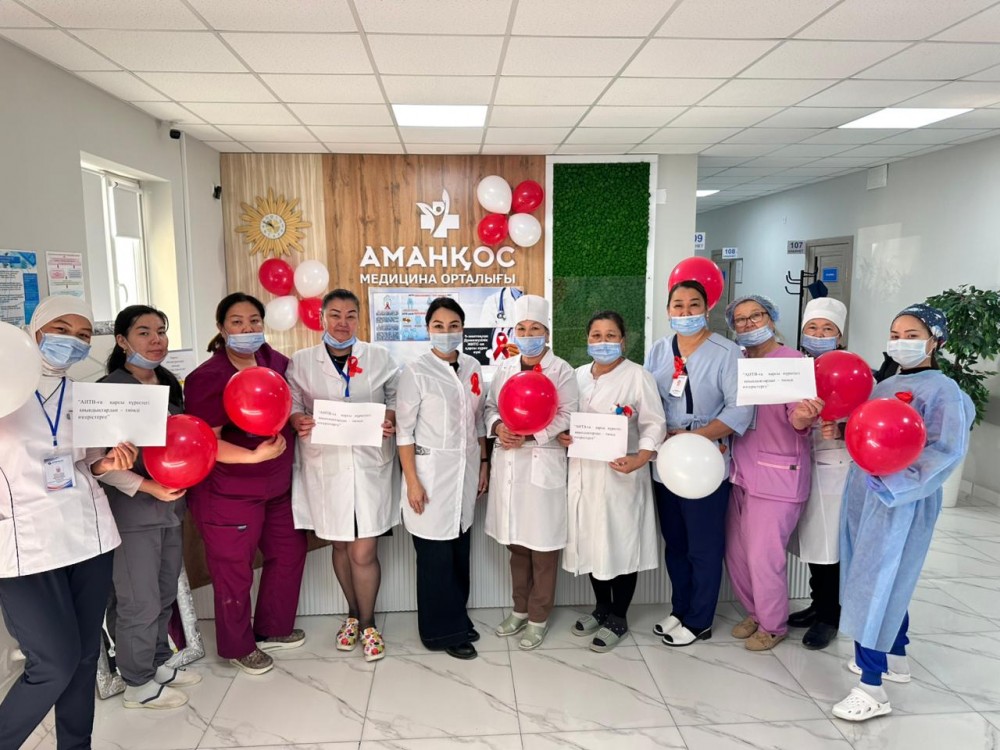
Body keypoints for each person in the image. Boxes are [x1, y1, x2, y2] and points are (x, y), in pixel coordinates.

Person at [0, 295, 137, 748]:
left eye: (83, 335)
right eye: (61, 330)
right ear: (35, 330)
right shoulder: (4, 389)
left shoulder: (86, 396)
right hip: (25, 543)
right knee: (53, 664)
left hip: (88, 536)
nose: (72, 342)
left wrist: (108, 462)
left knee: (82, 658)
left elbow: (89, 463)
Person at [833, 303, 974, 722]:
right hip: (864, 493)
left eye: (912, 335)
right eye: (896, 335)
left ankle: (871, 687)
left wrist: (895, 484)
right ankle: (896, 657)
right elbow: (869, 433)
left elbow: (946, 452)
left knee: (877, 582)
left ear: (935, 341)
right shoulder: (883, 385)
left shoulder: (945, 391)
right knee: (876, 576)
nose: (901, 342)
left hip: (903, 501)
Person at [183, 293, 308, 676]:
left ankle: (272, 627)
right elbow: (207, 442)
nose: (247, 328)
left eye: (254, 320)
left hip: (277, 486)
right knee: (233, 571)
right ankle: (239, 646)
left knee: (289, 552)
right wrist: (253, 457)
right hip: (228, 492)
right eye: (237, 322)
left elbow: (290, 406)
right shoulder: (208, 377)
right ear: (221, 328)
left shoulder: (277, 363)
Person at [287, 289, 399, 662]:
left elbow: (395, 397)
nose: (342, 322)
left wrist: (390, 418)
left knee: (364, 549)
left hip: (369, 465)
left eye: (351, 315)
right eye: (335, 314)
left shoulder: (380, 357)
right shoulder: (302, 362)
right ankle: (352, 613)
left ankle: (368, 623)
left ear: (359, 319)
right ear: (321, 318)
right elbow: (293, 402)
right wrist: (297, 419)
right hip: (327, 466)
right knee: (338, 544)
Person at [98, 305, 201, 709]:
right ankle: (137, 682)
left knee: (162, 593)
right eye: (143, 332)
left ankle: (157, 661)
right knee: (137, 599)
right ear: (122, 341)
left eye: (161, 331)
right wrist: (148, 487)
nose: (156, 339)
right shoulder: (108, 390)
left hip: (170, 509)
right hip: (132, 513)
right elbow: (97, 463)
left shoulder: (168, 385)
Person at [645, 281, 753, 647]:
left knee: (703, 546)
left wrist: (697, 437)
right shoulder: (659, 350)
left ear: (706, 309)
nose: (685, 312)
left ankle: (700, 619)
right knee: (675, 542)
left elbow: (740, 409)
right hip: (667, 462)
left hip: (706, 459)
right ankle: (680, 609)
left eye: (694, 305)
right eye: (678, 305)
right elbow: (649, 401)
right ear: (668, 311)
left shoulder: (728, 352)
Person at [559, 311, 666, 652]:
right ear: (587, 339)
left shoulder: (638, 376)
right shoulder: (576, 376)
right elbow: (564, 417)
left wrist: (641, 458)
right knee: (592, 541)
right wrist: (563, 434)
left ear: (623, 340)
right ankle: (601, 608)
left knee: (620, 544)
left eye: (610, 335)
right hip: (584, 473)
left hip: (622, 474)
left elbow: (654, 424)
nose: (602, 342)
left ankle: (619, 616)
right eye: (596, 335)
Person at [724, 295, 822, 651]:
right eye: (740, 319)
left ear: (771, 318)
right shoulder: (737, 362)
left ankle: (773, 624)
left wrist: (803, 417)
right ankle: (755, 612)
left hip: (778, 476)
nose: (749, 323)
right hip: (740, 472)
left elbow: (799, 416)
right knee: (737, 554)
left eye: (757, 315)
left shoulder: (792, 362)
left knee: (764, 557)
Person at [396, 297, 488, 660]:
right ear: (427, 329)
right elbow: (404, 432)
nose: (446, 332)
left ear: (463, 328)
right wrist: (412, 482)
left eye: (453, 326)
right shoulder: (416, 372)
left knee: (459, 551)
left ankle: (457, 618)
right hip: (430, 476)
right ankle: (440, 632)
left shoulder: (472, 367)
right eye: (438, 326)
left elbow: (477, 421)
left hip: (465, 473)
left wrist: (484, 462)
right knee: (435, 557)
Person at [485, 294, 578, 650]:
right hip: (510, 462)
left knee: (543, 549)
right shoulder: (505, 368)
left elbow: (568, 414)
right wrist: (498, 428)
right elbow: (490, 407)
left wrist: (531, 435)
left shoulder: (561, 370)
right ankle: (519, 610)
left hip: (542, 461)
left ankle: (538, 617)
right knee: (517, 547)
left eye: (535, 328)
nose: (528, 335)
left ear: (546, 333)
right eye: (522, 329)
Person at [787, 297, 851, 650]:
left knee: (829, 544)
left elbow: (867, 421)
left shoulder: (853, 370)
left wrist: (841, 429)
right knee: (812, 541)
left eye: (828, 329)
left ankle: (830, 616)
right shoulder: (795, 368)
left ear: (839, 335)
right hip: (802, 462)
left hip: (835, 467)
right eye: (812, 327)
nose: (819, 334)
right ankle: (817, 604)